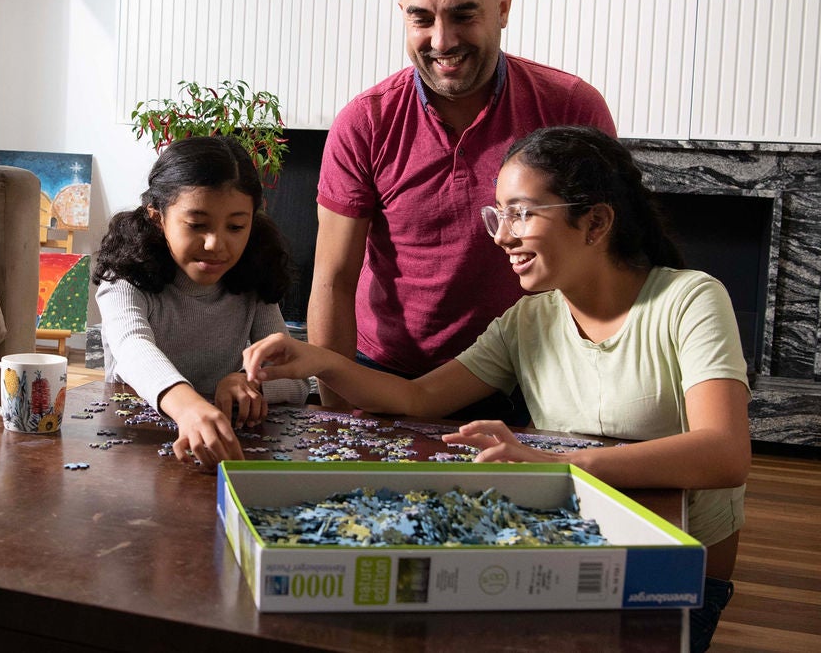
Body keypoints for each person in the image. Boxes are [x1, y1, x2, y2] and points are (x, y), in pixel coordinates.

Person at [247, 126, 749, 651]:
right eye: (499, 213)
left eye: (522, 213)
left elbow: (725, 453)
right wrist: (319, 361)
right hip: (578, 547)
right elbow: (417, 399)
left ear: (596, 221)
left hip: (674, 577)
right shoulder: (527, 319)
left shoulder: (689, 300)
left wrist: (560, 466)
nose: (501, 236)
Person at [310, 0, 616, 418]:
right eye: (422, 18)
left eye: (463, 15)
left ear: (502, 8)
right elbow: (334, 277)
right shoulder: (365, 121)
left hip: (529, 373)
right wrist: (336, 419)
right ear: (403, 16)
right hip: (386, 370)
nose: (442, 40)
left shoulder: (570, 107)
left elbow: (605, 260)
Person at [92, 136, 309, 466]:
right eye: (196, 225)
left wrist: (248, 383)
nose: (215, 244)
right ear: (157, 217)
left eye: (236, 226)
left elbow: (296, 380)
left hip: (225, 445)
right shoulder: (125, 277)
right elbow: (133, 348)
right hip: (135, 444)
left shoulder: (253, 275)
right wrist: (189, 407)